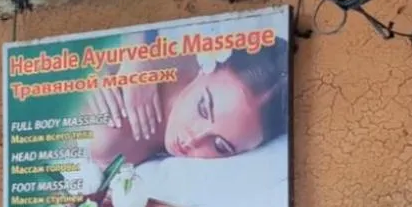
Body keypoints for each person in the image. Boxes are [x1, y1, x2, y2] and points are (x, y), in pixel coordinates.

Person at [83, 36, 289, 168]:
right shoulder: (112, 134)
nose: (193, 140)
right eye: (202, 108)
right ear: (204, 70)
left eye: (220, 145)